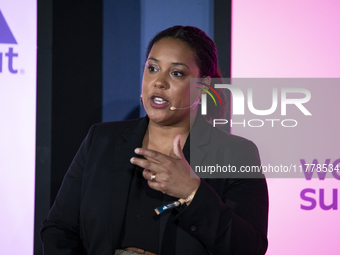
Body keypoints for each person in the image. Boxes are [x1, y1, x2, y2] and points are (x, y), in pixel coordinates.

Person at [40, 26, 268, 255]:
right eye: (152, 68)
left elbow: (250, 249)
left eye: (176, 73)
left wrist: (192, 191)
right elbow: (59, 228)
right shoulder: (101, 140)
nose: (159, 82)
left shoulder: (236, 154)